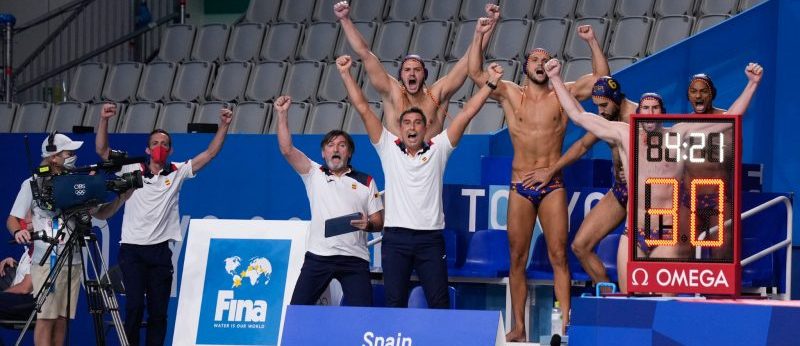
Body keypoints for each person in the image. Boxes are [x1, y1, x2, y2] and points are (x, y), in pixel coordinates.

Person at [467, 13, 609, 341]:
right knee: (517, 257)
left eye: (546, 59)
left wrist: (591, 41)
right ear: (526, 66)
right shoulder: (509, 93)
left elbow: (602, 78)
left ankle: (565, 324)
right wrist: (479, 32)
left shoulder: (564, 92)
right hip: (519, 185)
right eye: (535, 59)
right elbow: (475, 72)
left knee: (559, 254)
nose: (541, 63)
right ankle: (519, 326)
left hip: (552, 184)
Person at [337, 54, 503, 308]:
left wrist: (490, 85)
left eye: (417, 123)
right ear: (399, 128)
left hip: (430, 240)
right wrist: (346, 74)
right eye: (406, 123)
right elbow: (362, 107)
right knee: (395, 304)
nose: (412, 127)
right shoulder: (387, 148)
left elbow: (468, 112)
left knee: (439, 304)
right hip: (395, 240)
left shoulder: (440, 148)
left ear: (426, 128)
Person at [95, 103, 233, 345]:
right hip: (132, 251)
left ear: (170, 150)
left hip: (160, 252)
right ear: (148, 150)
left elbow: (210, 153)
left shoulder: (177, 171)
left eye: (165, 144)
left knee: (159, 313)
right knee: (135, 308)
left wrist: (223, 125)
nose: (160, 147)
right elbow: (103, 150)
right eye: (155, 144)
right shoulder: (131, 168)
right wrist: (104, 119)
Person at [7, 133, 128, 346]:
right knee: (46, 317)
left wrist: (122, 198)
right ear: (54, 157)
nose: (73, 156)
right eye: (68, 153)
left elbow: (101, 213)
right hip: (47, 259)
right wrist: (18, 232)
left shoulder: (77, 181)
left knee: (62, 319)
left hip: (73, 260)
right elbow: (13, 219)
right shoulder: (32, 183)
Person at [523, 76, 637, 293]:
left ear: (616, 98)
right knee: (580, 246)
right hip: (620, 190)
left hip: (641, 194)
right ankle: (608, 297)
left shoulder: (640, 116)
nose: (601, 111)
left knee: (635, 251)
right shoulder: (608, 118)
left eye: (604, 105)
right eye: (597, 106)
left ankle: (636, 306)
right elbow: (582, 146)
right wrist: (551, 171)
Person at [274, 95, 384, 307]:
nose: (336, 149)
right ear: (323, 153)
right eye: (331, 145)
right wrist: (282, 114)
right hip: (319, 257)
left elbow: (378, 222)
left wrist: (368, 224)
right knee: (298, 310)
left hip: (355, 259)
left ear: (349, 152)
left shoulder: (366, 181)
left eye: (342, 145)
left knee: (363, 317)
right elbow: (287, 150)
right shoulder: (313, 173)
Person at [334, 1, 499, 142]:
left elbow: (467, 61)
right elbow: (365, 53)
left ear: (424, 75)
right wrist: (344, 19)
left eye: (416, 70)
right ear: (401, 76)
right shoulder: (393, 93)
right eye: (407, 70)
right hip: (398, 164)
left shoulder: (437, 94)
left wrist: (490, 25)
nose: (411, 74)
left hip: (430, 164)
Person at [0, 247, 34, 321]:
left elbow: (25, 288)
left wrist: (3, 294)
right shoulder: (30, 249)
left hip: (27, 301)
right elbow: (28, 271)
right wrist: (16, 264)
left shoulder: (41, 251)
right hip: (18, 291)